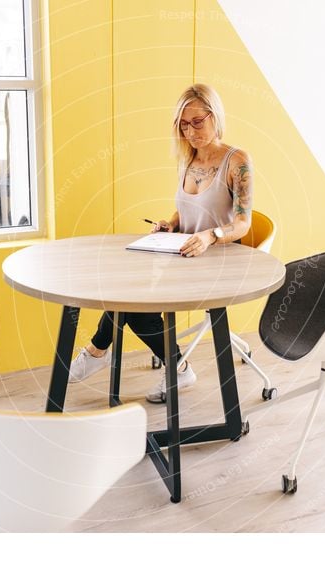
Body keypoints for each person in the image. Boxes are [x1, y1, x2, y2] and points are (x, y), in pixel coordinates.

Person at [68, 83, 254, 403]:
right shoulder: (188, 159)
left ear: (216, 116)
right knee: (123, 289)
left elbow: (243, 222)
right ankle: (112, 355)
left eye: (197, 122)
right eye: (183, 124)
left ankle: (163, 366)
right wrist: (171, 224)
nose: (190, 131)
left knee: (136, 308)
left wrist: (210, 235)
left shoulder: (237, 160)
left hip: (217, 261)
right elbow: (188, 209)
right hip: (182, 255)